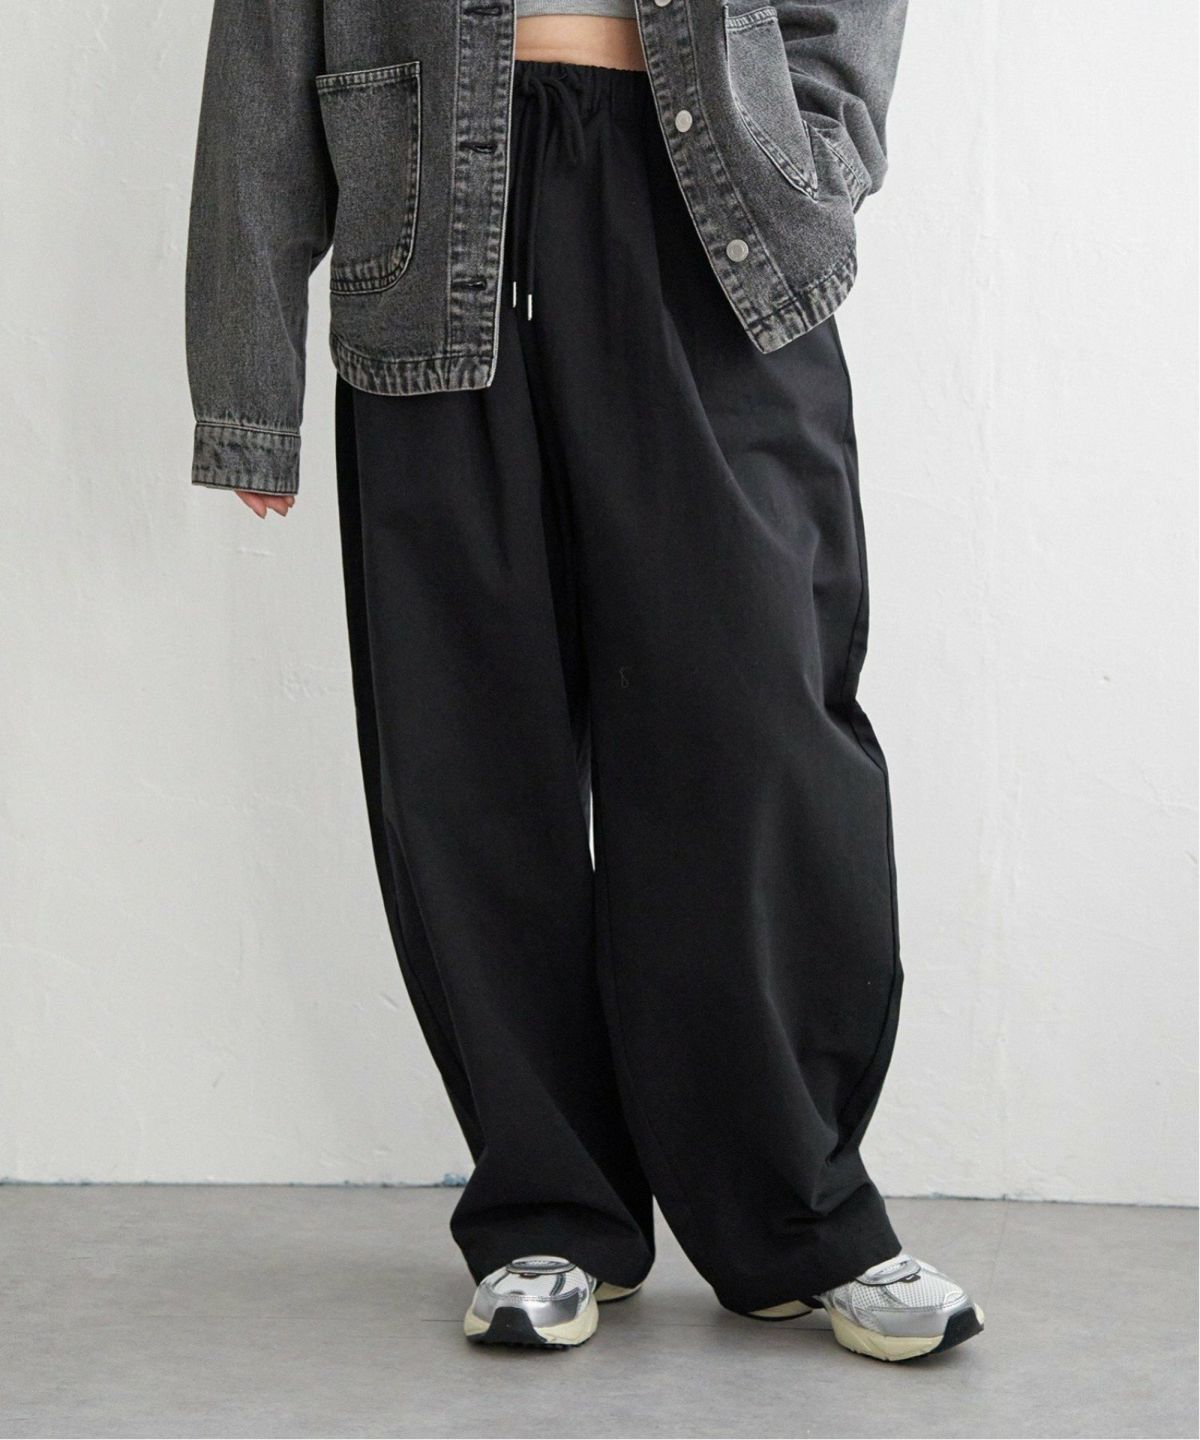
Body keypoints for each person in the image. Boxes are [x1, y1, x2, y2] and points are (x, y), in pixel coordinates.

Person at [185, 0, 984, 1361]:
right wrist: (247, 381)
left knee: (759, 726)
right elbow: (265, 40)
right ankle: (550, 1216)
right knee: (472, 745)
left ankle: (803, 1217)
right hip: (434, 218)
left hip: (713, 199)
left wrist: (817, 147)